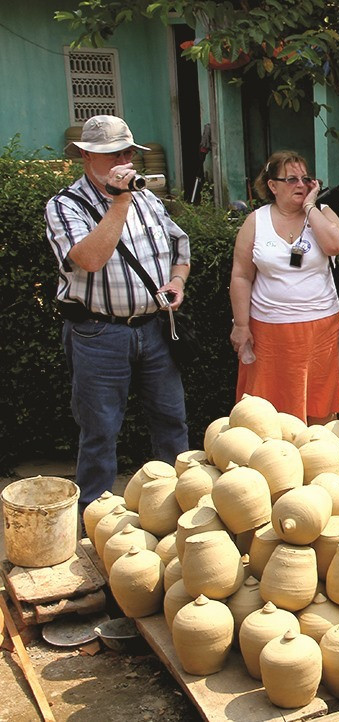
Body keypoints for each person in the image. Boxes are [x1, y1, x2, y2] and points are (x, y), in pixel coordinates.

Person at [45, 115, 190, 509]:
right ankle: (95, 519)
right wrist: (119, 201)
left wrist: (177, 282)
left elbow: (180, 246)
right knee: (100, 432)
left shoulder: (147, 197)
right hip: (98, 334)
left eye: (127, 151)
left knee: (171, 423)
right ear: (87, 157)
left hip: (154, 330)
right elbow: (90, 258)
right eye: (112, 154)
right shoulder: (65, 206)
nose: (124, 160)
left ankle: (181, 510)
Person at [229, 150, 339, 424]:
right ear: (273, 185)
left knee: (319, 403)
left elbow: (335, 245)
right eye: (291, 179)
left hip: (319, 329)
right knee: (267, 411)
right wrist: (241, 324)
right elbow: (241, 276)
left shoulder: (323, 213)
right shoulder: (255, 221)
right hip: (269, 331)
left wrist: (310, 207)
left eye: (306, 179)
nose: (300, 185)